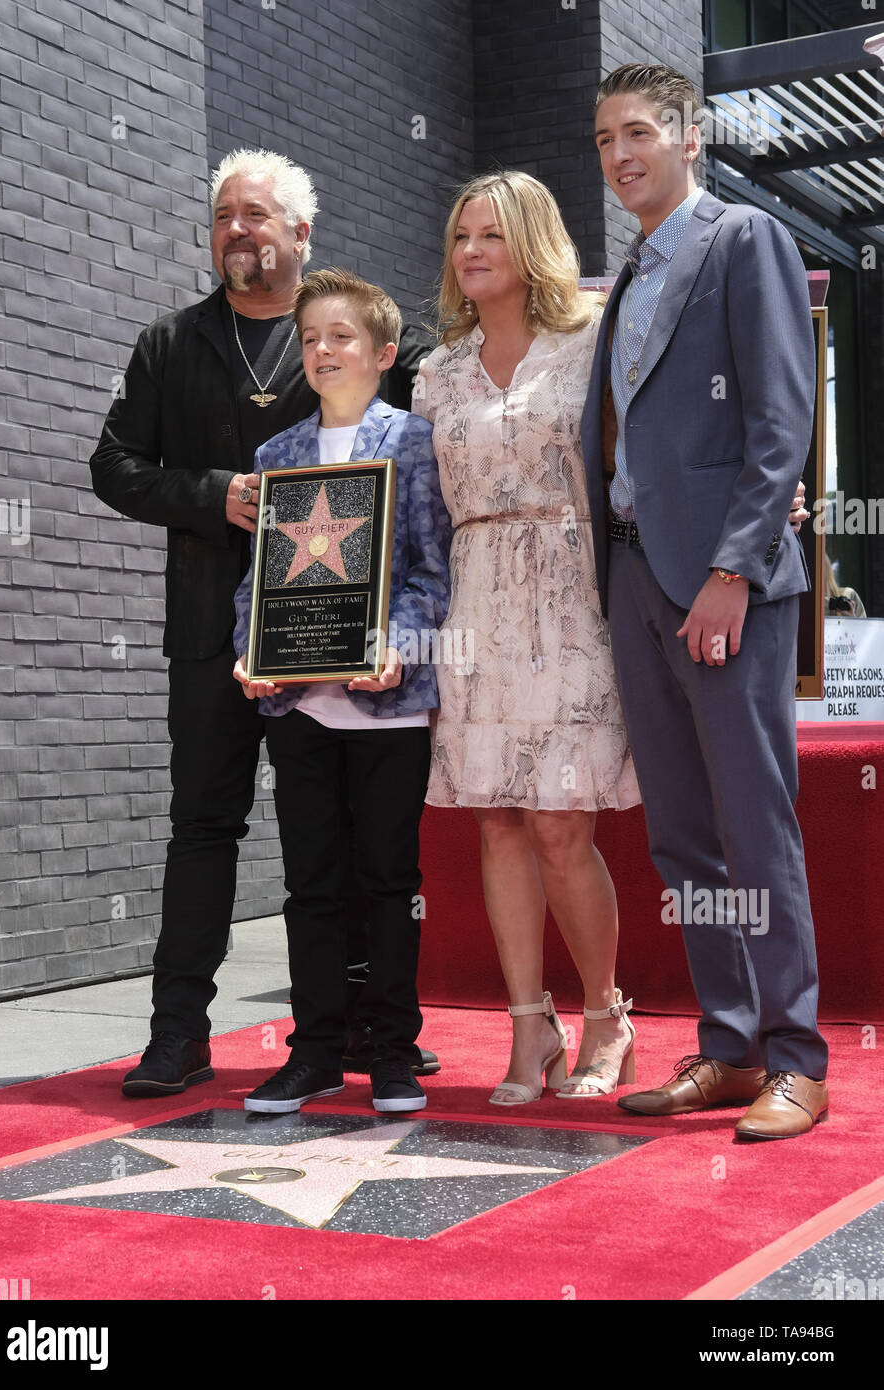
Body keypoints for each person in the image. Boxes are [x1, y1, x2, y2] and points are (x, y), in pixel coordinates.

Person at [89, 149, 438, 1097]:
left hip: (334, 648)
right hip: (213, 636)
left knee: (344, 840)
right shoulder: (169, 343)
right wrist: (215, 494)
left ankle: (365, 1031)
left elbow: (434, 437)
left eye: (256, 215)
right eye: (222, 218)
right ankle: (176, 1034)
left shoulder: (350, 338)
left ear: (300, 233)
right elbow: (113, 466)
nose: (237, 232)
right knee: (203, 828)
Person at [582, 63, 828, 1139]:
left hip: (725, 587)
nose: (620, 154)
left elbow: (781, 422)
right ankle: (726, 1044)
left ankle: (796, 1055)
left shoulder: (744, 242)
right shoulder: (629, 275)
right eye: (603, 140)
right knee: (682, 834)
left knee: (753, 823)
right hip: (635, 572)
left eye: (639, 132)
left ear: (691, 138)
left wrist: (733, 569)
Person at [414, 172, 643, 1105]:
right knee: (496, 821)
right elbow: (415, 512)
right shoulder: (435, 372)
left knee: (559, 824)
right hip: (472, 608)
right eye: (461, 235)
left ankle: (605, 1016)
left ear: (534, 243)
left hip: (572, 595)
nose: (471, 251)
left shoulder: (591, 345)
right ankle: (526, 1028)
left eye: (492, 236)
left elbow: (644, 459)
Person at [232, 269, 451, 1114]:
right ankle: (315, 1050)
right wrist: (248, 650)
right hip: (298, 704)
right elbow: (259, 580)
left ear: (384, 352)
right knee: (310, 885)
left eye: (341, 337)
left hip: (388, 701)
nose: (322, 351)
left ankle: (391, 1050)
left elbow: (432, 573)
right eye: (311, 338)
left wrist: (399, 644)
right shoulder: (275, 455)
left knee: (390, 881)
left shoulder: (414, 443)